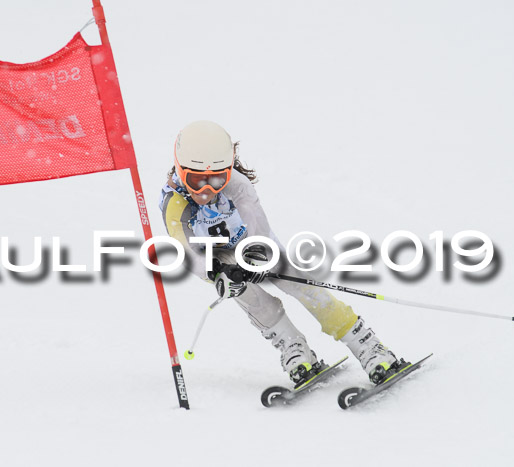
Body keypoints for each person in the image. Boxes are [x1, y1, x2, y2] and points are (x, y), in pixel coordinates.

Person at [159, 120, 405, 388]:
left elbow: (259, 230)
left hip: (254, 246)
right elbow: (186, 251)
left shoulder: (238, 185)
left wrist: (256, 258)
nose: (207, 191)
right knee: (254, 301)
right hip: (216, 261)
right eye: (197, 180)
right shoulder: (175, 203)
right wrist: (216, 272)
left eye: (218, 179)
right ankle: (295, 351)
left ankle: (369, 347)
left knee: (303, 285)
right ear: (181, 170)